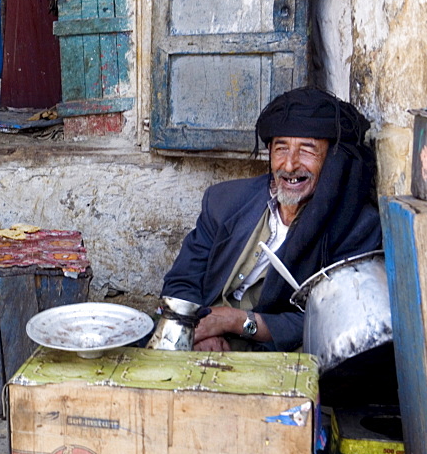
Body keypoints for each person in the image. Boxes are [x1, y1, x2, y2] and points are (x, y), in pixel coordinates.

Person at [159, 87, 382, 352]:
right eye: (281, 148)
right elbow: (182, 280)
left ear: (334, 160)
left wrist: (235, 322)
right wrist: (196, 333)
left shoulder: (356, 228)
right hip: (199, 337)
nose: (289, 165)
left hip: (272, 353)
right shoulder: (224, 201)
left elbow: (325, 321)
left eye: (307, 150)